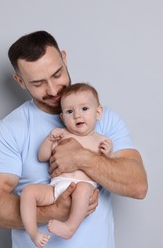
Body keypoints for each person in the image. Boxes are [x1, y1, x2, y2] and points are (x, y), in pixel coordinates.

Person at [0, 30, 148, 248]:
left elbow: (138, 186)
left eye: (57, 74)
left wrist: (82, 158)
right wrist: (55, 211)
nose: (52, 90)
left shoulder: (103, 118)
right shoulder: (9, 131)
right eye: (38, 83)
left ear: (65, 59)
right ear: (20, 81)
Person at [20, 83, 115, 247]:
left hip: (83, 191)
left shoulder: (102, 141)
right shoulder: (61, 135)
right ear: (63, 117)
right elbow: (42, 157)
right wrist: (50, 140)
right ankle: (33, 232)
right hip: (56, 187)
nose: (77, 116)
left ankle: (70, 227)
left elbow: (107, 171)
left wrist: (107, 155)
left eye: (84, 109)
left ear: (98, 112)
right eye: (70, 111)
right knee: (28, 191)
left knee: (83, 189)